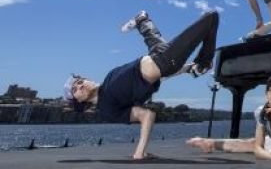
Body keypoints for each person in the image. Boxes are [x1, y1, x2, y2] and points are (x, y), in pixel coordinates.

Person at [63, 10, 219, 160]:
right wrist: (139, 152)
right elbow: (147, 115)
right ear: (79, 102)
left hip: (157, 56)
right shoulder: (107, 108)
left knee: (156, 40)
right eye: (75, 90)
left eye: (80, 81)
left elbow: (150, 76)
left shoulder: (108, 78)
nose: (80, 85)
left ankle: (142, 21)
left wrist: (187, 69)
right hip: (165, 61)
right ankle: (202, 62)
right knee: (211, 17)